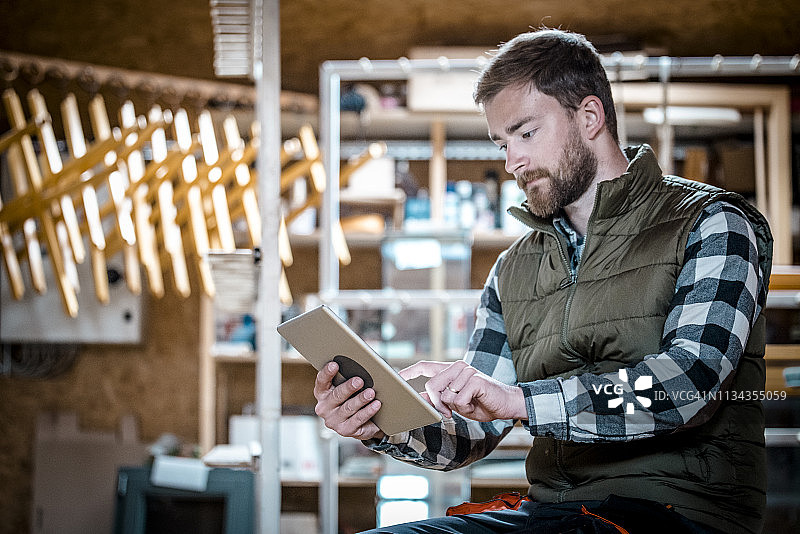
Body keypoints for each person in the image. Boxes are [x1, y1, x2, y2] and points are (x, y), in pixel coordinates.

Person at [313, 28, 773, 534]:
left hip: (678, 514)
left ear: (590, 117)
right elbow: (473, 429)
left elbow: (688, 384)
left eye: (526, 133)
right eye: (502, 143)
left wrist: (519, 401)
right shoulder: (513, 269)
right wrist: (384, 421)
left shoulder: (712, 223)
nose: (512, 162)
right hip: (555, 515)